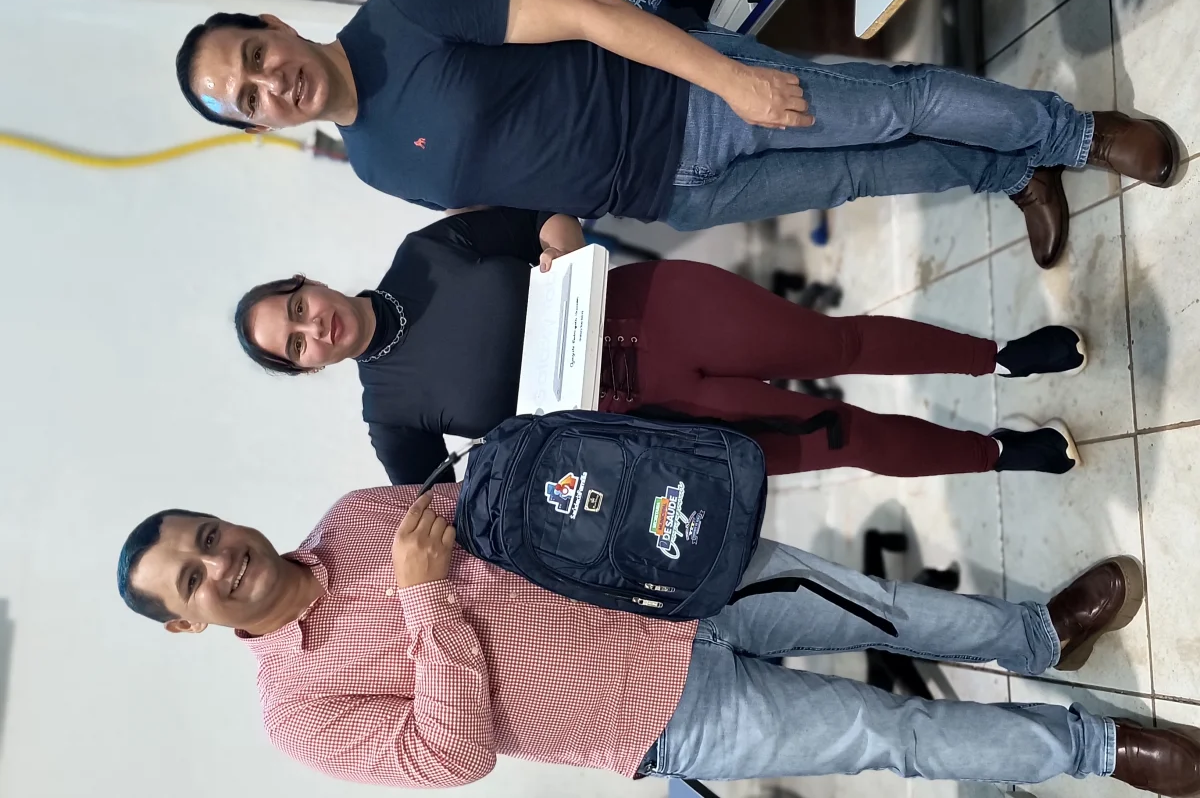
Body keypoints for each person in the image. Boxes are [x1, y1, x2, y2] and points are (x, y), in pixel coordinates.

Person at [115, 485, 1200, 793]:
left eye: (204, 537)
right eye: (192, 580)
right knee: (891, 734)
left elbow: (516, 515)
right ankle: (1096, 748)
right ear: (185, 623)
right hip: (664, 716)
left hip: (676, 582)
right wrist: (424, 602)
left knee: (877, 603)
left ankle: (1037, 634)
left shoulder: (354, 514)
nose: (220, 562)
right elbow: (450, 759)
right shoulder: (294, 712)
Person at [174, 0, 1181, 269]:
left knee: (889, 108)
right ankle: (1009, 171)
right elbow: (513, 190)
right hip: (670, 196)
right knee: (861, 172)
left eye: (254, 58)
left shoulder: (406, 11)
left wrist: (729, 78)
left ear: (273, 25)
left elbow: (589, 12)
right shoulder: (371, 164)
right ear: (258, 127)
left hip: (688, 98)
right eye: (247, 100)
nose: (270, 85)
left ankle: (1076, 134)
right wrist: (557, 236)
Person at [234, 207, 1089, 486]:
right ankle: (997, 452)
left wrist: (561, 248)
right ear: (307, 368)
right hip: (651, 422)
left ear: (307, 283)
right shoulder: (390, 416)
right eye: (296, 346)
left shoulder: (424, 254)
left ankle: (999, 356)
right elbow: (444, 509)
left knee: (838, 342)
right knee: (838, 438)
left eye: (297, 309)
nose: (315, 328)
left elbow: (546, 215)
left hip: (662, 310)